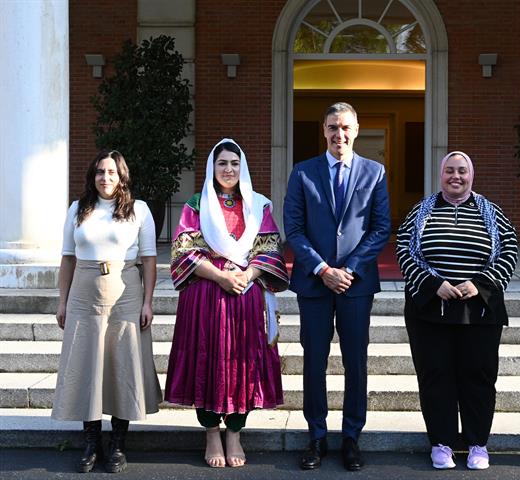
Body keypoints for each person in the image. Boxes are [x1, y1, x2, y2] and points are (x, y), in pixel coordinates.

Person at [164, 138, 288, 468]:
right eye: (222, 163)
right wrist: (220, 277)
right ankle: (210, 433)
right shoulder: (196, 204)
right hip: (206, 295)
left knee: (242, 362)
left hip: (246, 295)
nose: (228, 169)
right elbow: (183, 252)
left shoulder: (258, 205)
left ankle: (234, 432)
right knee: (208, 358)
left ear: (242, 167)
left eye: (234, 163)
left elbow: (270, 249)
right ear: (212, 168)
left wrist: (246, 276)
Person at [283, 102, 391, 471]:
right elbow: (294, 230)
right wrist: (322, 268)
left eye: (345, 127)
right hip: (314, 284)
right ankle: (316, 436)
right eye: (332, 127)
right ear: (324, 130)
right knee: (314, 362)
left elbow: (380, 228)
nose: (338, 134)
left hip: (356, 285)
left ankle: (350, 437)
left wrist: (348, 269)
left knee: (355, 362)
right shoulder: (302, 173)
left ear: (357, 130)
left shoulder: (375, 172)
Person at [396, 151, 518, 470]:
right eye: (449, 170)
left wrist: (479, 283)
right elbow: (404, 250)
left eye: (462, 171)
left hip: (478, 310)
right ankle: (442, 442)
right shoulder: (421, 211)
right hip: (431, 310)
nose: (456, 176)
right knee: (436, 376)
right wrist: (433, 282)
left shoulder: (491, 211)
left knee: (478, 377)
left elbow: (509, 249)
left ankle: (478, 443)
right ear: (441, 175)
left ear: (471, 175)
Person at [52, 150, 162, 474]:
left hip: (125, 293)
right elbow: (67, 258)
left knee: (122, 366)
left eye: (112, 172)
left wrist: (148, 301)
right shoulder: (78, 209)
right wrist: (62, 301)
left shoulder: (138, 210)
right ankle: (91, 443)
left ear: (122, 175)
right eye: (100, 172)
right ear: (93, 175)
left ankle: (118, 444)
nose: (106, 178)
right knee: (87, 366)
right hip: (83, 295)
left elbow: (150, 259)